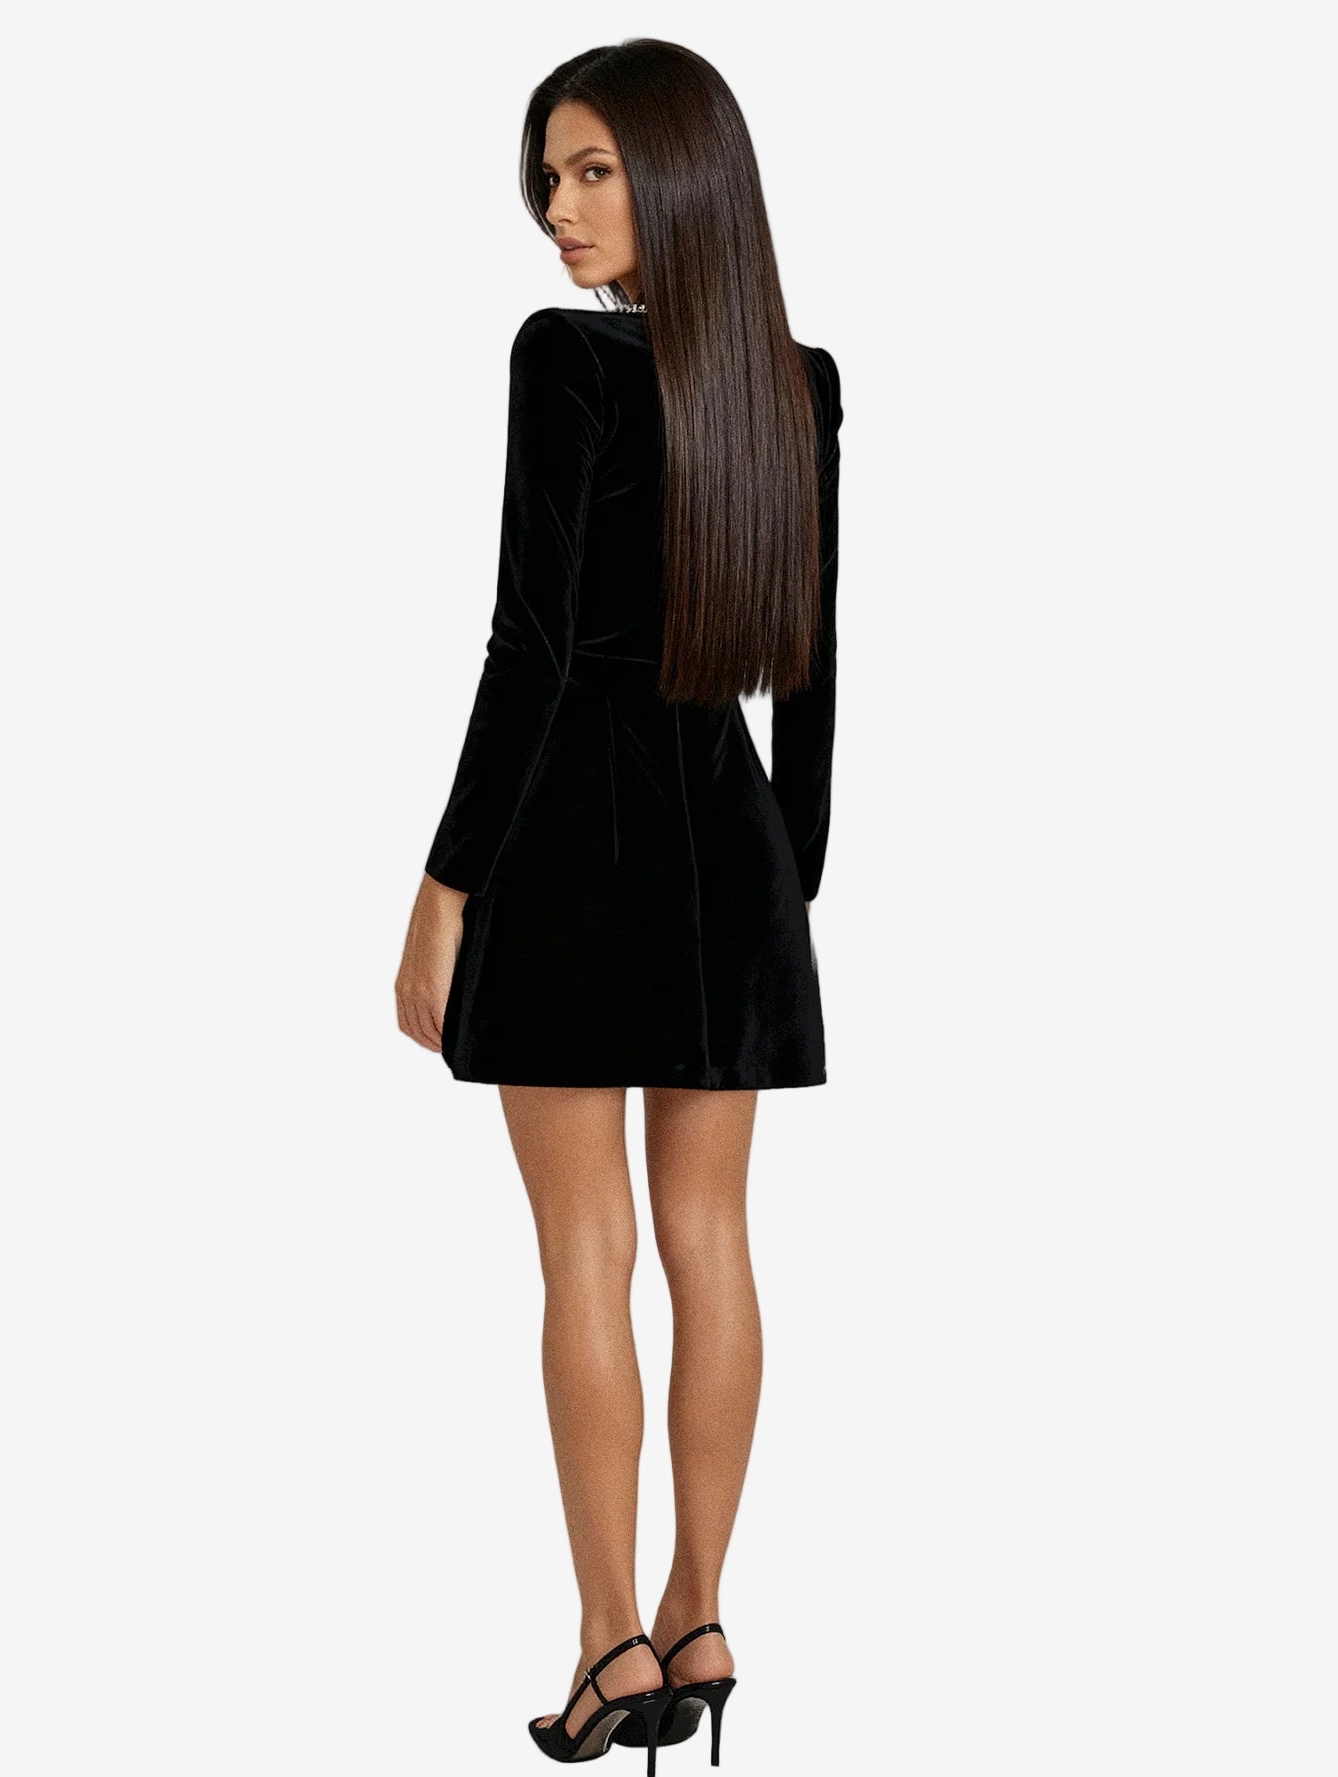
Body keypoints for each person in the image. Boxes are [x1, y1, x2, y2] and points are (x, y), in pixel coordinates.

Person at [395, 38, 842, 1774]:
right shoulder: (795, 384)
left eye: (591, 170)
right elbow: (811, 674)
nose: (557, 211)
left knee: (585, 1249)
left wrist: (445, 882)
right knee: (711, 1242)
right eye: (548, 177)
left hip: (571, 839)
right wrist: (783, 886)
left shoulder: (562, 361)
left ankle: (609, 1646)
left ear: (681, 174)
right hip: (730, 844)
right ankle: (701, 1611)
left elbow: (528, 648)